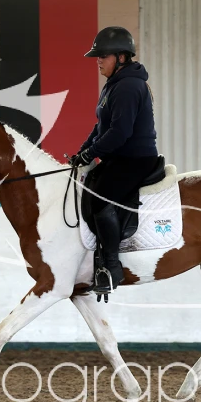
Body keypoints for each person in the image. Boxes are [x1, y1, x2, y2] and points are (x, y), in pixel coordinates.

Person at [70, 26, 160, 297]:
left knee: (100, 199)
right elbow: (101, 127)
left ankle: (111, 267)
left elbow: (120, 132)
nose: (98, 61)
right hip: (120, 157)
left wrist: (92, 152)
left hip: (135, 159)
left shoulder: (129, 86)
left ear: (121, 57)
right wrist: (83, 151)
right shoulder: (114, 84)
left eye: (103, 56)